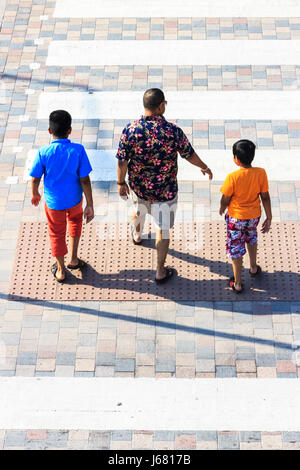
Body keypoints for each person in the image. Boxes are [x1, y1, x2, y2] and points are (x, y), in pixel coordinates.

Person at [116, 88, 213, 283]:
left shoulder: (131, 130)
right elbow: (188, 154)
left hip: (139, 188)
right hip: (165, 192)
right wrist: (204, 167)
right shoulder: (172, 131)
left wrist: (120, 183)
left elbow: (122, 161)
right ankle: (160, 270)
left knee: (138, 211)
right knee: (163, 230)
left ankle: (137, 235)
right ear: (161, 106)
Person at [30, 110, 94, 283]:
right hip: (74, 200)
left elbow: (35, 177)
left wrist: (35, 193)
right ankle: (74, 259)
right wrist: (90, 204)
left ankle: (61, 269)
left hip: (53, 203)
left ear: (50, 131)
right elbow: (85, 180)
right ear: (70, 130)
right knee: (75, 224)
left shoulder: (43, 152)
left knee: (56, 233)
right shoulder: (78, 150)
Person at [219, 139, 272, 293]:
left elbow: (225, 198)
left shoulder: (233, 177)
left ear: (236, 159)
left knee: (236, 248)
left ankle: (237, 283)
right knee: (251, 237)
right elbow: (265, 197)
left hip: (236, 218)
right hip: (253, 217)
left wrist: (222, 207)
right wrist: (269, 217)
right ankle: (254, 267)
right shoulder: (261, 173)